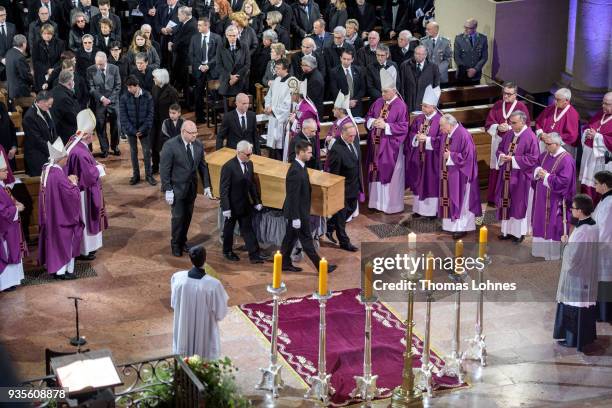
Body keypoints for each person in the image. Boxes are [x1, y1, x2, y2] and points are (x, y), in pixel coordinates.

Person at [280, 140, 337, 273]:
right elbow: (292, 196)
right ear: (300, 153)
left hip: (300, 211)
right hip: (298, 213)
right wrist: (295, 218)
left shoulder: (301, 166)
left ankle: (284, 262)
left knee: (289, 238)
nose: (311, 155)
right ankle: (321, 267)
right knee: (306, 241)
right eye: (309, 152)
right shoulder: (295, 170)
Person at [553, 194, 599, 352]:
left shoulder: (581, 231)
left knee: (574, 307)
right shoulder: (593, 225)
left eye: (573, 208)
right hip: (588, 274)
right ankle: (585, 337)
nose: (571, 210)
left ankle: (572, 339)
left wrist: (565, 245)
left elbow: (572, 259)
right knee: (584, 308)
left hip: (577, 277)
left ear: (580, 211)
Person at [160, 120, 213, 257]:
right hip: (176, 189)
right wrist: (168, 189)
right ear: (183, 132)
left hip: (191, 188)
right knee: (178, 218)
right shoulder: (170, 146)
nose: (195, 135)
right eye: (192, 133)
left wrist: (207, 185)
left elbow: (202, 166)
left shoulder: (198, 145)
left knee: (187, 217)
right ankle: (175, 245)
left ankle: (182, 241)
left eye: (196, 132)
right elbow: (164, 170)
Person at [171, 245, 229, 359]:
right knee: (203, 359)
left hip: (183, 327)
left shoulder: (177, 279)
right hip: (204, 333)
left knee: (184, 355)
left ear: (190, 259)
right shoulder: (213, 285)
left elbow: (174, 304)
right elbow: (221, 313)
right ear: (205, 259)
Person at [65, 109, 108, 261]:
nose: (92, 137)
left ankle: (87, 248)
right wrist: (100, 168)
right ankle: (85, 249)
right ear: (85, 134)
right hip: (84, 193)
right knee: (86, 219)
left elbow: (87, 164)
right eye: (91, 134)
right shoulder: (80, 152)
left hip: (81, 190)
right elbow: (88, 175)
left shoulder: (74, 142)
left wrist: (95, 163)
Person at [38, 138, 83, 280]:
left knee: (54, 242)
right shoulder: (57, 174)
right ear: (59, 159)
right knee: (66, 241)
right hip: (61, 217)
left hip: (51, 215)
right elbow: (70, 196)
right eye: (66, 158)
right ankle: (63, 272)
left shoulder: (46, 169)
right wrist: (74, 183)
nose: (67, 160)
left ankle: (55, 269)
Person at [365, 69, 408, 214]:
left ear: (394, 91)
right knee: (375, 173)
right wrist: (373, 122)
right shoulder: (378, 102)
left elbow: (403, 127)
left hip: (391, 149)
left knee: (390, 176)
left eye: (385, 92)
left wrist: (386, 126)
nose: (382, 94)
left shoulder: (401, 106)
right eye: (382, 91)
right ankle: (375, 203)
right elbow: (368, 117)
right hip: (376, 147)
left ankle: (390, 206)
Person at [494, 111, 539, 243]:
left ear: (523, 122)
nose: (510, 125)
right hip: (507, 176)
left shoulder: (530, 137)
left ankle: (519, 233)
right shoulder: (509, 134)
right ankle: (506, 231)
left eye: (513, 123)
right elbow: (500, 148)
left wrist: (513, 159)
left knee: (519, 205)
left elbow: (533, 159)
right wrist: (501, 156)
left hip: (521, 178)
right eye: (510, 122)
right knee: (507, 203)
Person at [220, 141, 268, 263]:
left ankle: (254, 255)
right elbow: (224, 189)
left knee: (247, 229)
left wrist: (256, 201)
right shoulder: (228, 166)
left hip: (245, 204)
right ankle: (227, 251)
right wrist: (226, 208)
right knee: (229, 230)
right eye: (247, 154)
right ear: (239, 152)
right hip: (231, 206)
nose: (249, 156)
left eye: (250, 154)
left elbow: (251, 184)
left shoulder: (249, 164)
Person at [531, 132, 576, 260]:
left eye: (548, 144)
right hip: (541, 197)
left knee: (553, 224)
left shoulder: (567, 160)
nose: (546, 147)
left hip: (556, 200)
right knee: (540, 221)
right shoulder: (545, 155)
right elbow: (536, 164)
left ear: (557, 144)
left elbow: (564, 182)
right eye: (545, 143)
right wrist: (537, 171)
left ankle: (553, 254)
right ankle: (540, 251)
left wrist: (546, 176)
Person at [485, 81, 531, 205]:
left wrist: (510, 128)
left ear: (515, 95)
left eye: (509, 94)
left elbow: (526, 125)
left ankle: (508, 197)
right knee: (496, 167)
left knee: (509, 169)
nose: (506, 96)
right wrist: (498, 127)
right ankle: (493, 197)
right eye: (504, 93)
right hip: (499, 141)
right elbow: (489, 122)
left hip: (514, 143)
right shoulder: (498, 105)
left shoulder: (521, 107)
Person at [438, 113, 482, 239]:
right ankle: (450, 225)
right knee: (450, 198)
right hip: (450, 173)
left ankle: (462, 228)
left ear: (449, 125)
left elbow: (469, 158)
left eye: (442, 126)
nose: (440, 129)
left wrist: (451, 156)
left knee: (461, 201)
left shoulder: (463, 135)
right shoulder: (448, 133)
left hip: (461, 175)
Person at [405, 85, 441, 219]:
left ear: (433, 107)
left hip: (432, 159)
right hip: (418, 157)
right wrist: (416, 137)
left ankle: (431, 212)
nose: (423, 108)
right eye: (422, 105)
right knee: (418, 181)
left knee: (430, 183)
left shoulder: (440, 120)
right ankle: (418, 209)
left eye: (426, 106)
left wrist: (427, 139)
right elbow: (411, 133)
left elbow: (442, 140)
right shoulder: (419, 119)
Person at [326, 122, 361, 252]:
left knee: (350, 210)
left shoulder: (354, 141)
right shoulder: (337, 149)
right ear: (343, 133)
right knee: (341, 218)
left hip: (354, 186)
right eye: (350, 136)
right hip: (343, 189)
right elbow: (334, 174)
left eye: (354, 136)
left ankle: (329, 227)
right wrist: (336, 191)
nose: (353, 138)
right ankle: (344, 242)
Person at [120, 76, 156, 186]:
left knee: (146, 152)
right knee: (133, 152)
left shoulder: (147, 96)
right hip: (131, 130)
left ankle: (149, 175)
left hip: (143, 129)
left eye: (130, 87)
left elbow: (150, 115)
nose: (128, 90)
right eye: (128, 87)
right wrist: (133, 130)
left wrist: (142, 129)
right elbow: (123, 117)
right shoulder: (124, 97)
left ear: (137, 86)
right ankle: (136, 176)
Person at [579, 92, 612, 203]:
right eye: (603, 103)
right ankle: (584, 212)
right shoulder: (600, 114)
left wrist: (597, 136)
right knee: (586, 186)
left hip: (602, 160)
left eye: (607, 104)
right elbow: (589, 126)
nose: (603, 106)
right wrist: (587, 132)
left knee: (597, 187)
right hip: (590, 158)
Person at [87, 51, 121, 157]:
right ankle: (104, 149)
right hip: (99, 103)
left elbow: (118, 86)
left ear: (106, 61)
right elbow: (91, 88)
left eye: (101, 64)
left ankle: (115, 146)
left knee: (116, 126)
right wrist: (102, 98)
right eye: (97, 64)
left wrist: (109, 99)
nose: (99, 66)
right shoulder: (90, 70)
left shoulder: (115, 69)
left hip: (113, 102)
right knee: (100, 126)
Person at [0, 153, 26, 292]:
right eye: (4, 170)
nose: (7, 172)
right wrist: (16, 209)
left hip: (11, 227)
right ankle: (6, 283)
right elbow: (2, 212)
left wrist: (16, 204)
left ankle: (12, 280)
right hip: (4, 231)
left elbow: (8, 201)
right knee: (7, 252)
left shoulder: (2, 186)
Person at [189, 17, 222, 124]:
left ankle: (214, 116)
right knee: (198, 94)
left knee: (214, 93)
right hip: (199, 70)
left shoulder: (217, 38)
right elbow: (191, 55)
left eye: (200, 25)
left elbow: (218, 55)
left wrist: (208, 65)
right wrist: (200, 66)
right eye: (198, 25)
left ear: (207, 26)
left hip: (212, 70)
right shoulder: (194, 38)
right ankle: (199, 117)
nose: (197, 27)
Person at [535, 88, 580, 157]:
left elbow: (571, 136)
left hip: (562, 147)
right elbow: (539, 123)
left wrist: (553, 140)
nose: (554, 101)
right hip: (545, 144)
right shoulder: (550, 109)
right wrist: (541, 134)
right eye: (554, 98)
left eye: (558, 100)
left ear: (566, 101)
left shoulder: (573, 114)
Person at [592, 170, 612, 323]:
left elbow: (605, 229)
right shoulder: (604, 200)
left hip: (605, 248)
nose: (594, 186)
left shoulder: (609, 203)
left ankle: (605, 314)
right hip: (603, 246)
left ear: (604, 185)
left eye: (596, 183)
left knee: (605, 279)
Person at [23, 91, 58, 177]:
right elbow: (37, 140)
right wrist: (53, 151)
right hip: (37, 157)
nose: (50, 107)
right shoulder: (29, 117)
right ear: (41, 102)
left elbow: (52, 130)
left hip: (47, 152)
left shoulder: (45, 110)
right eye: (48, 104)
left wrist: (57, 145)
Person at [152, 68, 179, 175]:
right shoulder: (154, 88)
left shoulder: (172, 92)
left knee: (165, 147)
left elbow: (176, 110)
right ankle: (155, 166)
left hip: (166, 124)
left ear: (161, 79)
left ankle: (168, 168)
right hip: (155, 123)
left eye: (155, 77)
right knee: (154, 145)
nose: (153, 79)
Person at [399, 45, 439, 113]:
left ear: (425, 55)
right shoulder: (405, 65)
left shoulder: (433, 67)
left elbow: (436, 87)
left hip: (425, 103)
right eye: (417, 54)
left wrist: (434, 104)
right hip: (409, 102)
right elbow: (402, 86)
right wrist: (402, 103)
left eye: (421, 54)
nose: (419, 56)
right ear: (414, 54)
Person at [263, 62, 291, 160]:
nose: (276, 70)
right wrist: (267, 107)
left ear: (285, 69)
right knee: (272, 147)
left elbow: (288, 105)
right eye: (276, 68)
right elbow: (269, 96)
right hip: (273, 117)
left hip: (282, 120)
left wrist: (273, 110)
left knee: (280, 146)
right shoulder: (276, 80)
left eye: (278, 68)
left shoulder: (291, 82)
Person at [287, 80, 320, 162]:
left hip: (306, 147)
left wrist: (294, 121)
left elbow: (306, 129)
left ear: (297, 95)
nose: (290, 96)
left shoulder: (306, 109)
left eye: (291, 94)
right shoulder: (301, 106)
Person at [328, 49, 365, 117]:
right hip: (341, 107)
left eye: (348, 59)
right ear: (340, 58)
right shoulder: (334, 72)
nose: (346, 61)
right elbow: (334, 90)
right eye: (344, 59)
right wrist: (346, 102)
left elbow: (362, 88)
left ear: (352, 60)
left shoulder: (358, 70)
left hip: (356, 105)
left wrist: (354, 100)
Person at [170, 6, 197, 96]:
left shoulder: (192, 25)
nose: (177, 16)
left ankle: (188, 104)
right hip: (181, 57)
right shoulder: (185, 22)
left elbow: (184, 41)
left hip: (186, 59)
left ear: (185, 15)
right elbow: (178, 36)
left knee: (186, 82)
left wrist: (173, 46)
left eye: (179, 14)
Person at [217, 25, 250, 99]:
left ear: (238, 35)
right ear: (226, 35)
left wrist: (236, 77)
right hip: (226, 81)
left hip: (240, 80)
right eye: (230, 36)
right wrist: (230, 76)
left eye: (234, 35)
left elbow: (247, 64)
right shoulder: (221, 46)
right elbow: (219, 65)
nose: (232, 38)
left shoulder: (244, 46)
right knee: (227, 108)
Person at [453, 18, 488, 85]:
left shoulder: (482, 38)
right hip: (462, 75)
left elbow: (484, 57)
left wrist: (475, 69)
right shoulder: (459, 38)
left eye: (468, 28)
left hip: (476, 76)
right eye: (465, 27)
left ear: (475, 28)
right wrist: (467, 70)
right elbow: (456, 57)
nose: (465, 29)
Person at [31, 23, 65, 91]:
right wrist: (47, 69)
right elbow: (36, 61)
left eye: (49, 33)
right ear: (41, 34)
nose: (47, 35)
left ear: (52, 34)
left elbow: (61, 59)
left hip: (56, 73)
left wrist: (53, 69)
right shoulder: (36, 44)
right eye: (45, 33)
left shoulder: (60, 43)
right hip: (42, 74)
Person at [5, 35, 35, 109]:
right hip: (21, 93)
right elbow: (25, 76)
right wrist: (33, 81)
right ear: (24, 44)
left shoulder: (9, 52)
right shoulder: (20, 57)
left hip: (11, 90)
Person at [50, 70, 80, 144]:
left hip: (55, 133)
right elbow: (73, 118)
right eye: (73, 80)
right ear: (70, 82)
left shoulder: (52, 91)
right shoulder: (65, 98)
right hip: (66, 136)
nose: (73, 82)